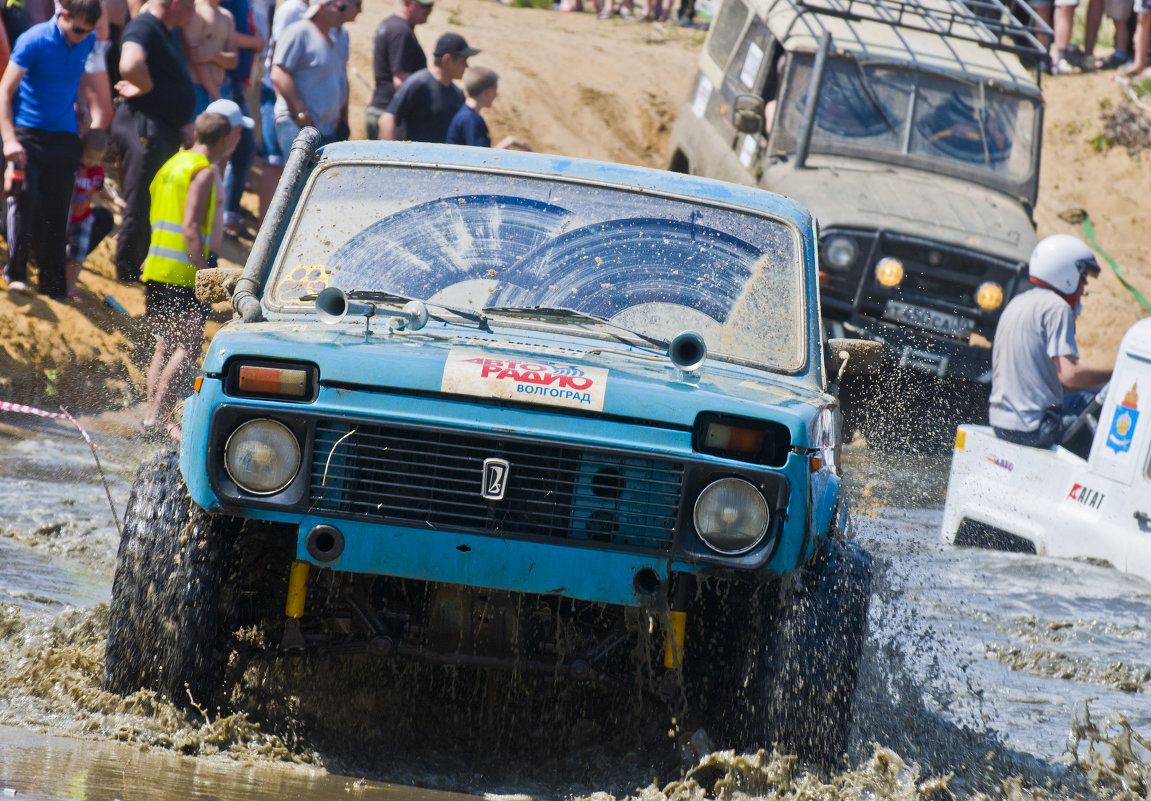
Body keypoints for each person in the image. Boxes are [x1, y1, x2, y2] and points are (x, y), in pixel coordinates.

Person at [140, 103, 245, 441]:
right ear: (225, 138)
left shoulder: (172, 164)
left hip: (156, 265)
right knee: (187, 346)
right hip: (183, 271)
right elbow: (189, 227)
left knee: (163, 345)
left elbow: (156, 214)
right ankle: (157, 420)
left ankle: (149, 418)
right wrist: (204, 272)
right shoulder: (200, 171)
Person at [0, 0, 103, 299]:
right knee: (25, 197)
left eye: (88, 31)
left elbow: (80, 72)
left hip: (65, 136)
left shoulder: (87, 39)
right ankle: (16, 272)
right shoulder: (34, 40)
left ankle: (52, 284)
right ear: (63, 14)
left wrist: (82, 105)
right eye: (78, 29)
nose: (82, 36)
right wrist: (9, 140)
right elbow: (5, 92)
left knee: (58, 212)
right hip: (28, 133)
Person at [989, 234, 1113, 449]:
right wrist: (1114, 374)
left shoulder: (1019, 301)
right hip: (1034, 428)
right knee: (1105, 407)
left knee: (1082, 399)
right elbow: (1069, 376)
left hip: (1001, 423)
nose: (1083, 286)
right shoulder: (1057, 308)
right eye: (1083, 277)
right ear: (1066, 273)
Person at [110, 0, 197, 282]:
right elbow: (130, 62)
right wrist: (144, 86)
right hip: (144, 125)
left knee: (149, 198)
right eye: (191, 3)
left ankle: (137, 266)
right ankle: (127, 271)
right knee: (140, 199)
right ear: (174, 3)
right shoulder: (145, 24)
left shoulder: (165, 29)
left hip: (160, 127)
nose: (194, 9)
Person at [270, 0, 347, 159]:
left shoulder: (330, 37)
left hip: (323, 128)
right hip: (298, 126)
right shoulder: (299, 32)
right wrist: (301, 111)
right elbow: (279, 73)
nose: (343, 13)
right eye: (340, 8)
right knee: (297, 181)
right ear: (322, 7)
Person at [256, 0, 307, 223]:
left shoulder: (305, 10)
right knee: (275, 160)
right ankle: (264, 229)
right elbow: (276, 49)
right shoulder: (291, 9)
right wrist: (281, 99)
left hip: (286, 97)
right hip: (277, 95)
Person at [379, 32, 475, 143]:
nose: (467, 66)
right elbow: (386, 119)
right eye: (463, 61)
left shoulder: (457, 93)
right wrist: (392, 155)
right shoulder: (419, 83)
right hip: (415, 159)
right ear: (447, 60)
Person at [364, 0, 431, 140]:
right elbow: (401, 82)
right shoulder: (401, 31)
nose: (428, 10)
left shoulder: (392, 25)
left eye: (431, 6)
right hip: (390, 116)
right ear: (407, 2)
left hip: (383, 110)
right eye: (424, 6)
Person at [65, 128, 118, 300]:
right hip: (66, 217)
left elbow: (100, 188)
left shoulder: (97, 171)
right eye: (89, 157)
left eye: (97, 159)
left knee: (78, 256)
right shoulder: (73, 165)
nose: (92, 162)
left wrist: (115, 200)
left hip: (83, 218)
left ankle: (70, 287)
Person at [446, 66, 530, 150]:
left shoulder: (468, 115)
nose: (496, 94)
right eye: (495, 90)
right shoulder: (469, 119)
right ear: (488, 92)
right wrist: (510, 141)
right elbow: (480, 157)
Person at [182, 0, 238, 113]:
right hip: (198, 91)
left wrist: (213, 55)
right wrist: (219, 99)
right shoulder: (196, 12)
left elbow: (234, 61)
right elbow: (197, 59)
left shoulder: (227, 16)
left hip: (221, 90)